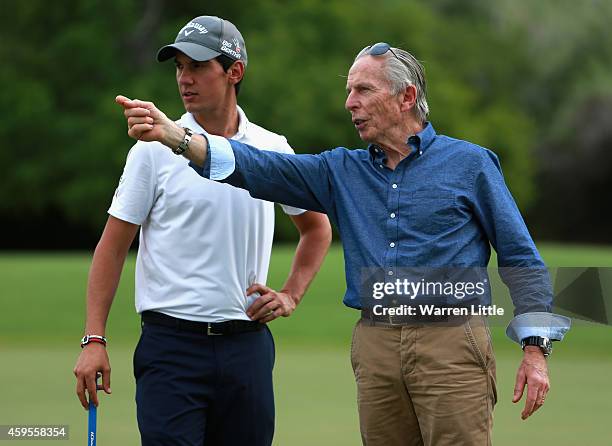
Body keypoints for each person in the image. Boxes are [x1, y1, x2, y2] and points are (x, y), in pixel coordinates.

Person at [116, 42, 571, 446]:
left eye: (363, 91)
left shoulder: (470, 164)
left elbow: (520, 258)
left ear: (406, 97)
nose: (349, 103)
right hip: (375, 345)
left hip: (451, 343)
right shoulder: (342, 170)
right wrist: (175, 136)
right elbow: (257, 168)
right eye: (349, 90)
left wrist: (535, 351)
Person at [74, 15, 331, 446]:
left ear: (234, 71)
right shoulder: (152, 150)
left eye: (197, 66)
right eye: (178, 67)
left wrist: (291, 294)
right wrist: (93, 338)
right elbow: (113, 247)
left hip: (246, 347)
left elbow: (316, 229)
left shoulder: (271, 148)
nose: (184, 79)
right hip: (170, 348)